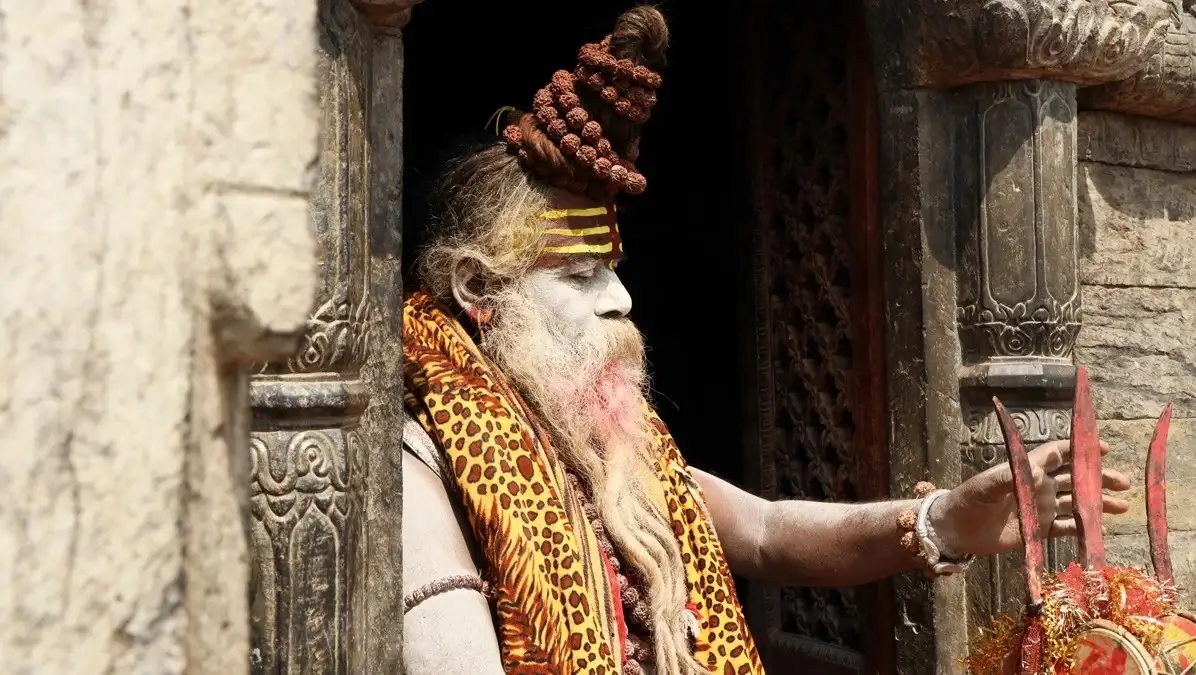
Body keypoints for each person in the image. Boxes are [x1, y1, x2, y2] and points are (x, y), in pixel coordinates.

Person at [399, 7, 1131, 675]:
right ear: (478, 289)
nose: (620, 300)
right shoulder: (421, 456)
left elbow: (767, 533)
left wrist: (941, 519)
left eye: (614, 272)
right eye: (581, 276)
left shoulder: (605, 442)